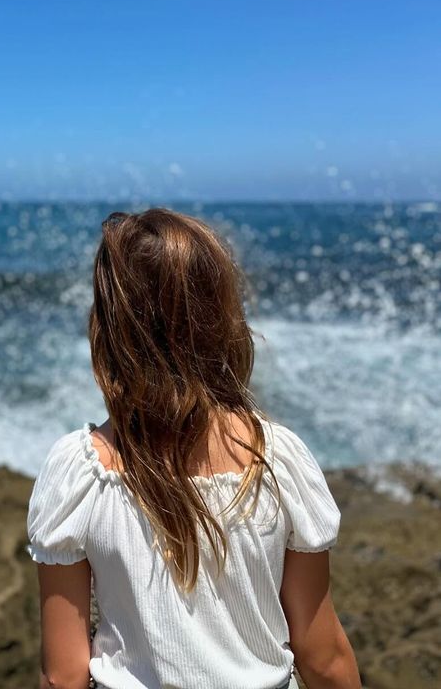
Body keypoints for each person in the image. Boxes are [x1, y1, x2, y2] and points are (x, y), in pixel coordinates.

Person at [26, 208, 362, 689]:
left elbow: (63, 676)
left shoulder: (81, 472)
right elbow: (323, 656)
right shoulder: (278, 459)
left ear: (108, 326)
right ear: (221, 314)